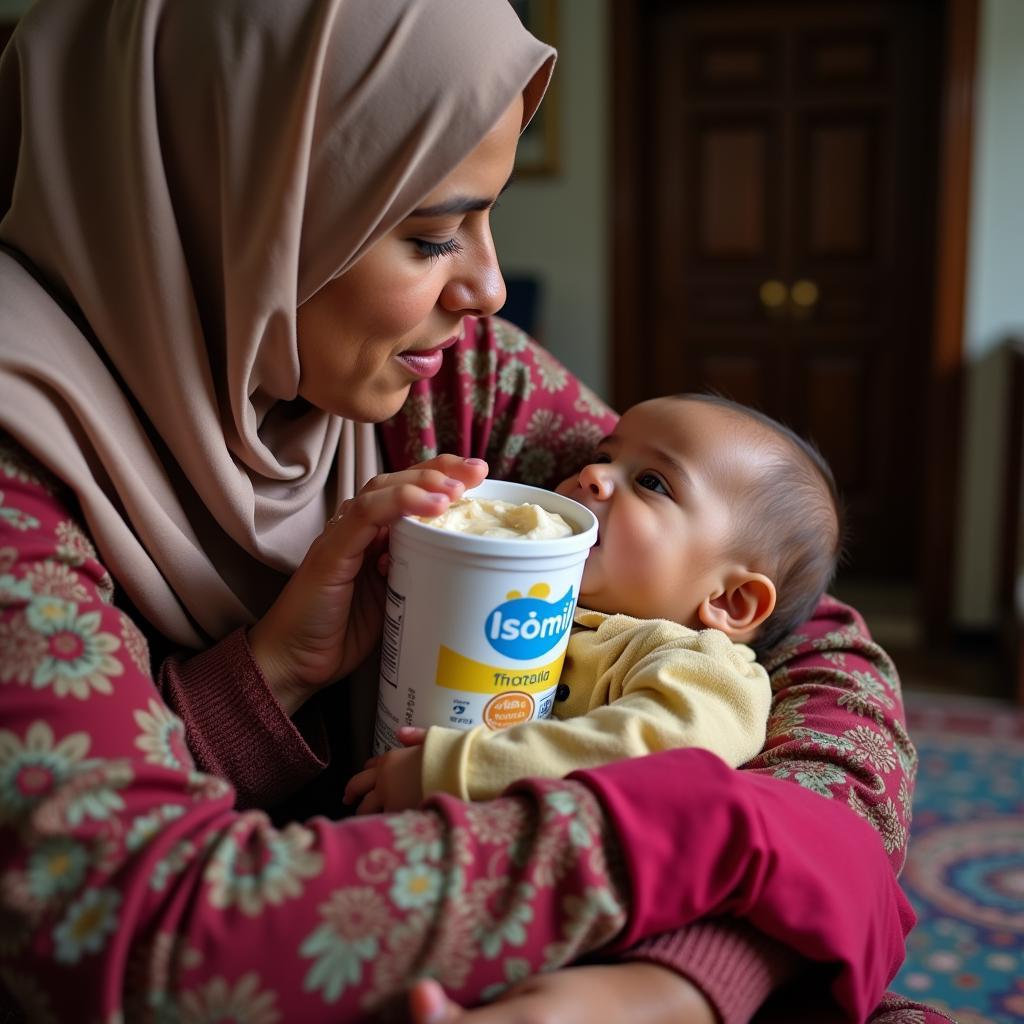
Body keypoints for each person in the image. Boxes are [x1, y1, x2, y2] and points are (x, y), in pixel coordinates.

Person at [0, 1, 948, 1022]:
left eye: (485, 219)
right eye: (430, 233)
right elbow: (124, 928)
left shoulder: (451, 378)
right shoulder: (25, 470)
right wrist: (715, 838)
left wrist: (678, 983)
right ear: (226, 204)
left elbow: (816, 652)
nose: (489, 286)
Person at [345, 393, 839, 812]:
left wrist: (459, 768)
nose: (590, 475)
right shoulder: (545, 597)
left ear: (730, 600)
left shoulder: (697, 662)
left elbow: (662, 746)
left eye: (651, 482)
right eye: (604, 457)